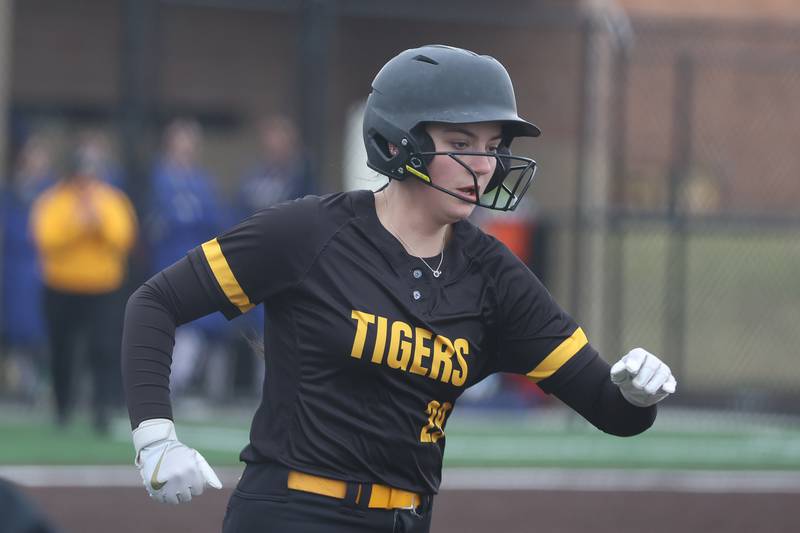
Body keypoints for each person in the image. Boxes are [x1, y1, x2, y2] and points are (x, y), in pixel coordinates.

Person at [121, 45, 676, 532]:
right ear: (399, 141)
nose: (484, 166)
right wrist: (154, 437)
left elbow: (611, 411)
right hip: (292, 514)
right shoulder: (308, 232)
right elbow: (156, 302)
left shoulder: (495, 276)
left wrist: (635, 396)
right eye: (461, 141)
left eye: (493, 145)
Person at [31, 145, 138, 434]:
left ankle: (103, 407)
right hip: (61, 285)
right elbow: (46, 238)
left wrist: (98, 223)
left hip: (103, 286)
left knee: (103, 348)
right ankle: (62, 406)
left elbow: (123, 237)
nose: (85, 181)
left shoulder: (111, 200)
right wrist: (76, 226)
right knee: (61, 350)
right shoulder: (54, 200)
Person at [146, 118, 233, 396]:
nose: (186, 148)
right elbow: (160, 222)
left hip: (196, 264)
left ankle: (179, 385)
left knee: (194, 330)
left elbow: (212, 220)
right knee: (169, 325)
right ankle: (160, 386)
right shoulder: (159, 178)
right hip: (168, 261)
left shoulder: (201, 181)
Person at [0, 135, 54, 402]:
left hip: (42, 266)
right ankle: (20, 382)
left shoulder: (52, 192)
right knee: (16, 326)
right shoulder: (13, 191)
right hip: (15, 267)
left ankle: (41, 383)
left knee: (41, 327)